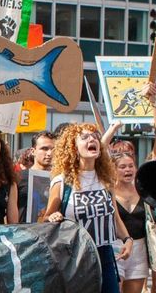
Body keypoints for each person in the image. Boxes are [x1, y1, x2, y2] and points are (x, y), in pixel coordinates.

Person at [43, 123, 132, 293]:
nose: (92, 139)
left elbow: (114, 217)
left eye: (95, 137)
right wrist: (52, 217)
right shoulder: (62, 182)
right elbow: (46, 218)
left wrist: (128, 240)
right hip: (75, 258)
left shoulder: (106, 180)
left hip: (105, 255)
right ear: (73, 148)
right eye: (84, 137)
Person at [110, 145, 156, 293]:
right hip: (116, 247)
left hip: (139, 249)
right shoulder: (108, 191)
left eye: (131, 166)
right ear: (113, 170)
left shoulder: (143, 190)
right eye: (122, 167)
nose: (128, 170)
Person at [18, 131, 55, 222]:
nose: (49, 153)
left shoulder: (61, 180)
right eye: (44, 148)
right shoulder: (20, 177)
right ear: (33, 151)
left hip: (52, 233)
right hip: (23, 233)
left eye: (53, 149)